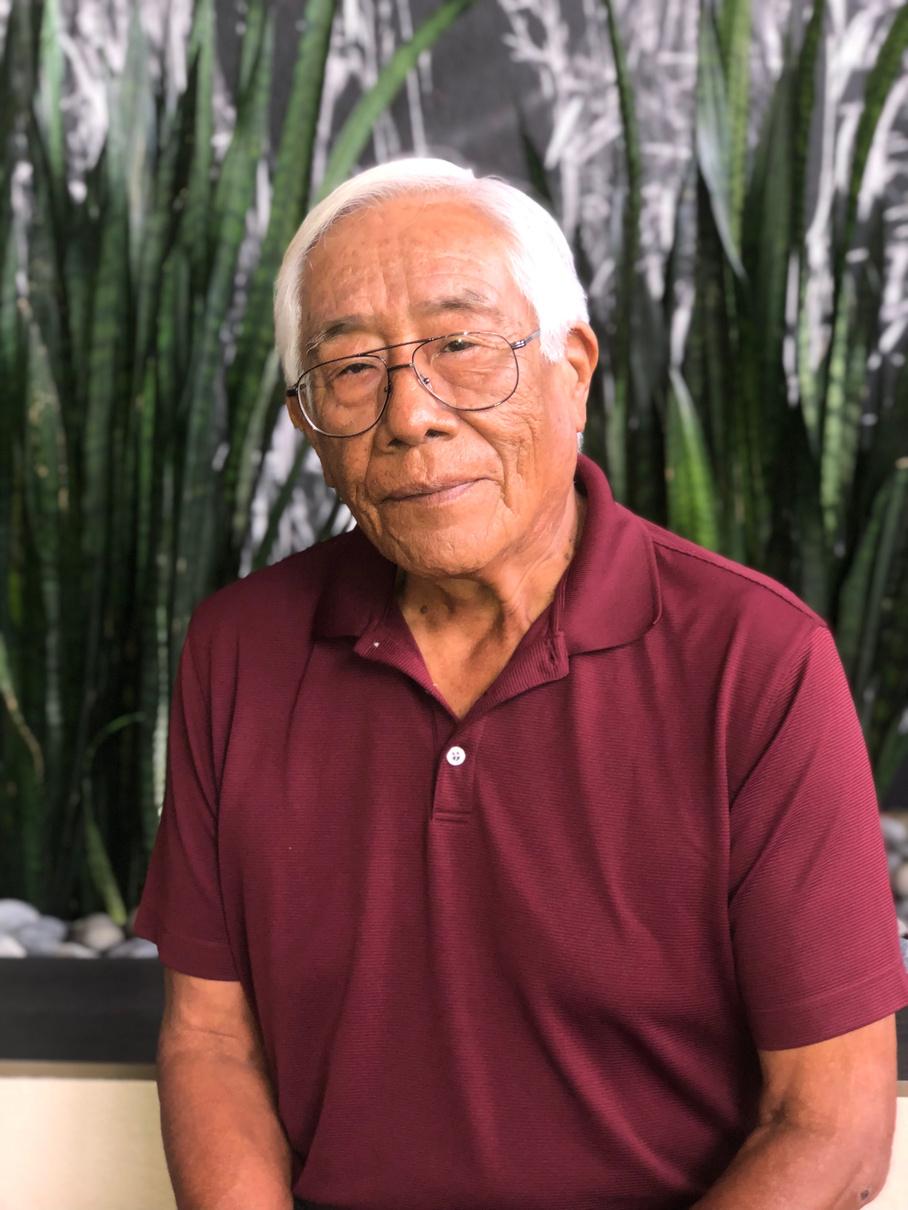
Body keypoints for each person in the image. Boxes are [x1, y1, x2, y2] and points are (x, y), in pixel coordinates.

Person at [133, 156, 908, 1210]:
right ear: (307, 423)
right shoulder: (239, 650)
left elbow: (830, 1126)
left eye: (460, 347)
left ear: (571, 369)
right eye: (352, 366)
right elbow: (212, 1040)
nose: (410, 415)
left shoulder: (755, 661)